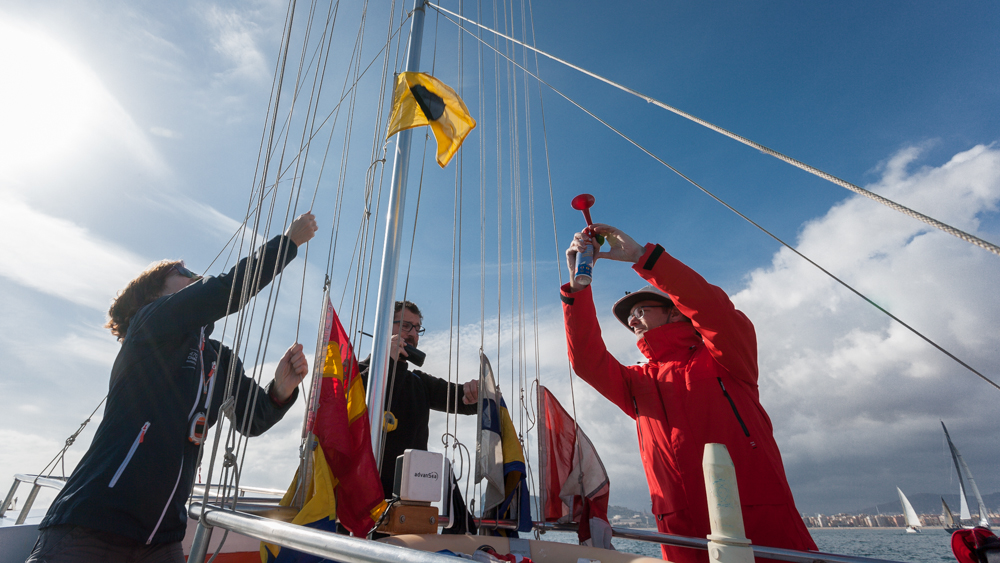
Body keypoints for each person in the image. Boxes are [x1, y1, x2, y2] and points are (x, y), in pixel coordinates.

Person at [27, 213, 319, 563]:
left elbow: (251, 419)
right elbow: (226, 291)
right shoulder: (149, 326)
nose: (194, 274)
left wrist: (281, 390)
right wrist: (286, 244)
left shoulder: (218, 358)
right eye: (181, 271)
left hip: (163, 535)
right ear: (156, 296)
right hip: (93, 523)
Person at [562, 224, 816, 563]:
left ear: (676, 310)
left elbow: (715, 311)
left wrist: (643, 258)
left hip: (758, 524)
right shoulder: (637, 383)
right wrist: (578, 287)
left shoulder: (725, 358)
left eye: (641, 310)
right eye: (629, 318)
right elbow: (586, 361)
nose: (633, 320)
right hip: (681, 533)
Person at [359, 300, 478, 499]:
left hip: (407, 506)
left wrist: (474, 392)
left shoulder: (419, 383)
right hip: (356, 507)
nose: (413, 334)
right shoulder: (357, 373)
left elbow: (460, 399)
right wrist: (387, 361)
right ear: (385, 328)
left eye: (417, 328)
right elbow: (353, 399)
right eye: (405, 326)